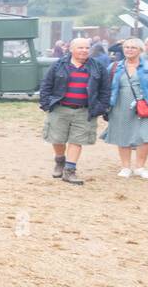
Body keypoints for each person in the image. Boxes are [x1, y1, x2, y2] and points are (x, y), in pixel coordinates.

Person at [38, 37, 112, 184]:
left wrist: (100, 107)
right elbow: (46, 84)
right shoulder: (58, 65)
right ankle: (60, 161)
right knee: (57, 139)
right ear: (71, 49)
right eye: (80, 48)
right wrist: (46, 104)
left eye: (86, 48)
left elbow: (105, 89)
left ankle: (69, 171)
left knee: (77, 140)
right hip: (60, 108)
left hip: (84, 110)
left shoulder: (98, 67)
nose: (84, 50)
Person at [100, 37, 148, 178]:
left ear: (141, 50)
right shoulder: (114, 66)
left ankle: (140, 167)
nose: (129, 50)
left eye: (133, 47)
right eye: (126, 47)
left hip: (147, 103)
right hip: (120, 103)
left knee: (146, 135)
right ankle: (125, 167)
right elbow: (104, 86)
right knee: (123, 134)